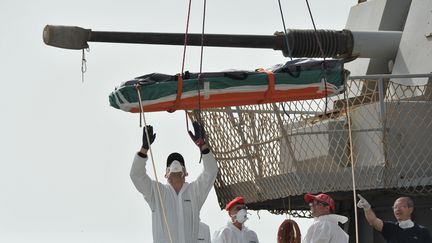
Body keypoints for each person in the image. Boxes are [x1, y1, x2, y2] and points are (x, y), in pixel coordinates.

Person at [130, 122, 218, 243]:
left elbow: (211, 171)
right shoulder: (157, 192)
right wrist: (144, 149)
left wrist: (202, 145)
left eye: (180, 163)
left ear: (186, 173)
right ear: (166, 174)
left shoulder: (195, 192)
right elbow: (136, 175)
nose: (175, 164)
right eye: (170, 164)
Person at [357, 194, 432, 242]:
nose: (397, 209)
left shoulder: (422, 231)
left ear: (410, 209)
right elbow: (373, 221)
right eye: (395, 207)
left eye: (401, 206)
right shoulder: (390, 228)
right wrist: (367, 208)